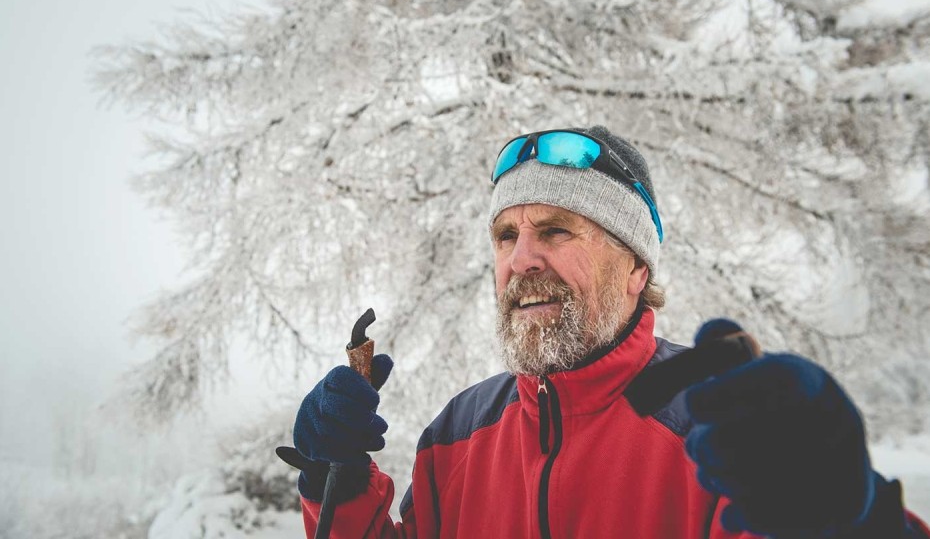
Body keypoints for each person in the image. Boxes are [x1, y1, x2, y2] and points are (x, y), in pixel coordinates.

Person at [286, 126, 930, 538]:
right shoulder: (460, 432)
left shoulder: (717, 432)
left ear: (634, 268)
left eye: (557, 230)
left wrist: (856, 520)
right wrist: (335, 481)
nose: (522, 260)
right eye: (507, 236)